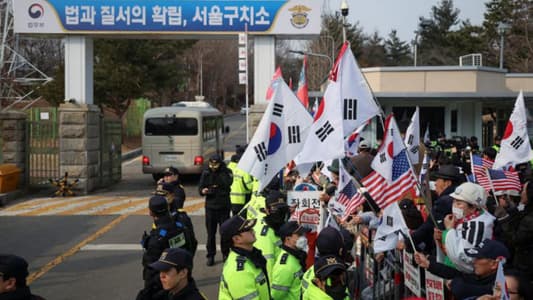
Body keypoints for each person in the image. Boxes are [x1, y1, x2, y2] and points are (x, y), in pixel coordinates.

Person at [137, 195, 195, 300]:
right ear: (168, 208)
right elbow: (192, 246)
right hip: (182, 278)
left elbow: (150, 271)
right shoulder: (180, 226)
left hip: (163, 287)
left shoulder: (157, 239)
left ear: (151, 212)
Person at [414, 239, 509, 299]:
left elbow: (461, 289)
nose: (473, 261)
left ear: (494, 264)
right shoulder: (484, 274)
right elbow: (456, 274)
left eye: (479, 258)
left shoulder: (505, 284)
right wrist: (428, 264)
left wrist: (455, 282)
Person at [442, 182, 495, 273]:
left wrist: (449, 230)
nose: (454, 206)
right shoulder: (464, 219)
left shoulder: (478, 225)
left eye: (459, 204)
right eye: (454, 202)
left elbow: (465, 258)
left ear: (473, 207)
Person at [411, 164, 464, 254]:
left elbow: (428, 227)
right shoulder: (460, 198)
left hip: (445, 251)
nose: (435, 183)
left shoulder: (444, 202)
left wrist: (408, 242)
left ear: (447, 183)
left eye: (438, 180)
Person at [218, 215, 271, 300]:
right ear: (237, 239)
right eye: (248, 230)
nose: (253, 231)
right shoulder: (239, 272)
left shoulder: (251, 255)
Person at [198, 154, 233, 266]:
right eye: (211, 164)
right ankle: (211, 255)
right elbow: (200, 187)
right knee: (210, 234)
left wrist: (217, 175)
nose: (213, 167)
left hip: (223, 206)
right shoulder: (206, 172)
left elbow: (228, 183)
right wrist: (203, 190)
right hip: (210, 207)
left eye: (215, 164)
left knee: (225, 233)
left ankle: (225, 253)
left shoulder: (226, 172)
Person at [253, 190, 289, 276]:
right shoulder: (266, 234)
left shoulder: (275, 225)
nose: (280, 212)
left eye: (282, 209)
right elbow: (268, 266)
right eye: (275, 209)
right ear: (267, 209)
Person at [270, 221, 310, 300]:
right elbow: (276, 295)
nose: (304, 237)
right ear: (288, 239)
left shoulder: (296, 256)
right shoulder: (285, 265)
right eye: (299, 235)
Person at [226, 150, 252, 217]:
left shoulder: (226, 169)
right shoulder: (243, 170)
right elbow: (249, 186)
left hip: (227, 199)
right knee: (240, 219)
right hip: (240, 200)